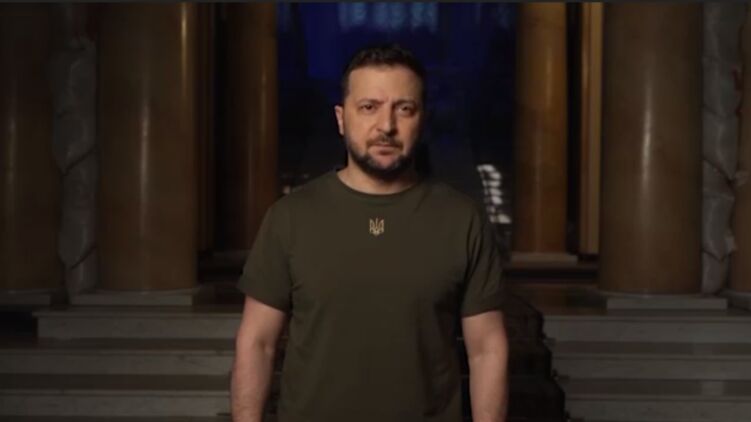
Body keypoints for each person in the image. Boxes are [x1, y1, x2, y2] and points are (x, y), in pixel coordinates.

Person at [231, 43, 508, 422]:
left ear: (422, 119)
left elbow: (487, 349)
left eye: (404, 108)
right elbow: (257, 343)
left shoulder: (462, 219)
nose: (386, 126)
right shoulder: (290, 217)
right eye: (368, 107)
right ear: (341, 118)